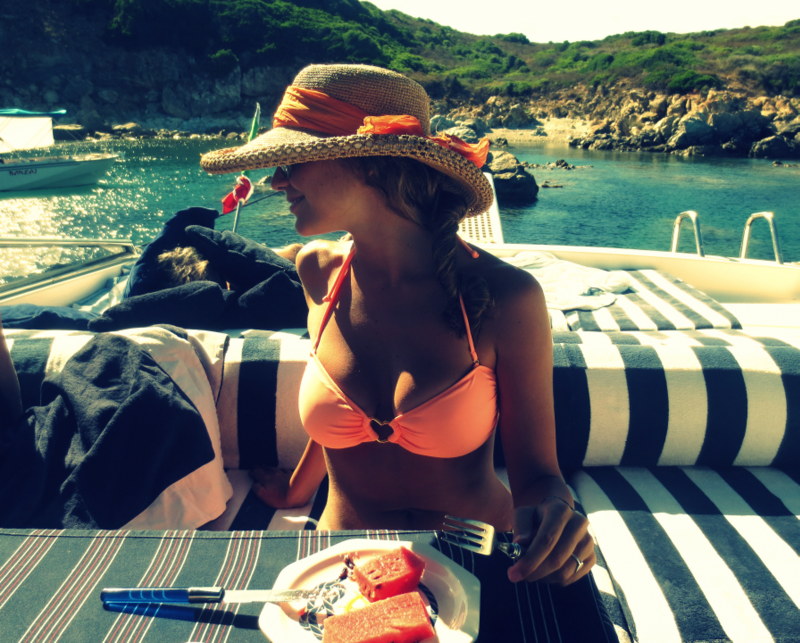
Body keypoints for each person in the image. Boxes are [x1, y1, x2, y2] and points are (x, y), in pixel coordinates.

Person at [200, 64, 595, 586]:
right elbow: (345, 404)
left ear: (370, 164)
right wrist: (296, 491)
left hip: (476, 568)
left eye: (292, 162)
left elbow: (538, 476)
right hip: (343, 565)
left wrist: (558, 518)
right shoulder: (317, 272)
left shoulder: (506, 297)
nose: (277, 180)